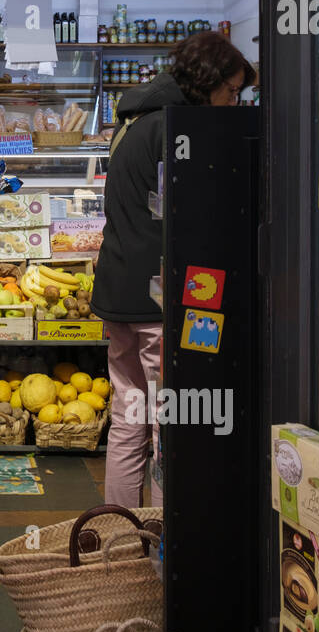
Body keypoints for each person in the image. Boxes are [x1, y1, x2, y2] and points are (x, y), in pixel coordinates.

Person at [90, 31, 257, 509]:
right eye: (231, 91)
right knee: (171, 420)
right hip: (158, 300)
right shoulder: (177, 129)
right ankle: (167, 541)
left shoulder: (132, 119)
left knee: (128, 417)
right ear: (206, 82)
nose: (234, 101)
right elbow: (192, 216)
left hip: (119, 293)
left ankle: (121, 531)